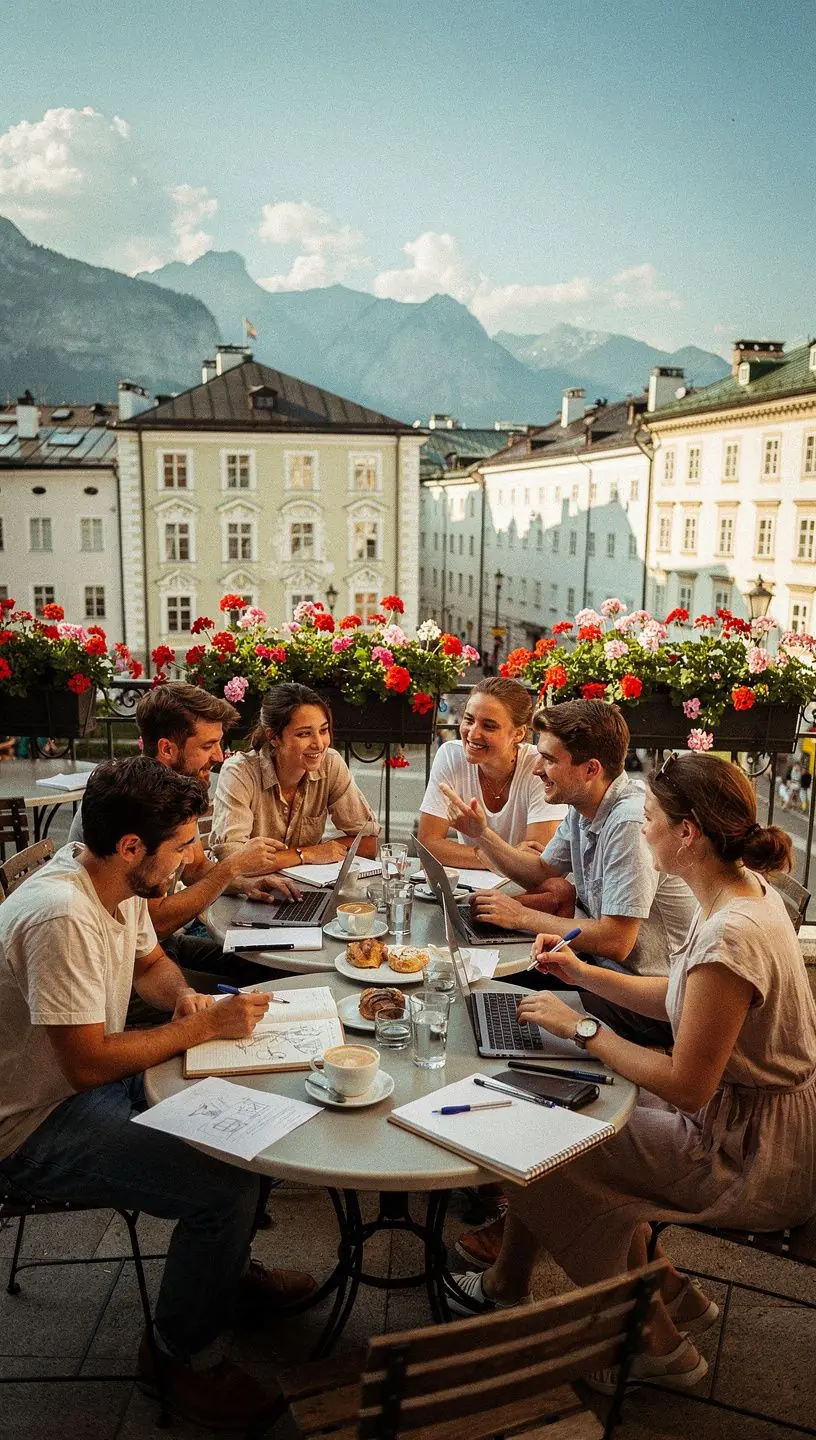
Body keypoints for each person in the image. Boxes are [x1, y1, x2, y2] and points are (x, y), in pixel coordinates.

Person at [451, 752, 816, 1394]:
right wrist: (584, 977)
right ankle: (663, 1293)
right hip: (745, 1123)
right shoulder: (739, 893)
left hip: (747, 1155)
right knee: (559, 1109)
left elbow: (685, 1084)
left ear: (687, 834)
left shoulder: (730, 935)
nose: (641, 828)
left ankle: (655, 1341)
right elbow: (683, 999)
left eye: (649, 817)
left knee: (538, 1147)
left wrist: (585, 1029)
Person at [0, 757, 316, 1431]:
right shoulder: (64, 914)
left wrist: (183, 999)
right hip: (28, 1125)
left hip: (71, 1090)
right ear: (132, 846)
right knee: (222, 1187)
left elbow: (150, 963)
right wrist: (203, 1026)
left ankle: (222, 1277)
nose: (193, 859)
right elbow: (86, 1066)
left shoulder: (116, 883)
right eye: (181, 846)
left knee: (248, 1128)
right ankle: (181, 1360)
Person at [439, 700, 695, 1045]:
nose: (536, 770)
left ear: (590, 769)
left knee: (484, 1004)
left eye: (548, 760)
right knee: (477, 995)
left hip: (650, 1003)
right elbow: (541, 871)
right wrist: (482, 835)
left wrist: (520, 916)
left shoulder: (628, 823)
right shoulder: (585, 803)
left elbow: (616, 941)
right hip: (601, 973)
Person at [69, 684, 301, 991]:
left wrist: (246, 884)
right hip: (127, 968)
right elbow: (155, 921)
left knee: (278, 966)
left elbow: (195, 869)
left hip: (162, 947)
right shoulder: (137, 807)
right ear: (167, 749)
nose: (219, 756)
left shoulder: (171, 797)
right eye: (207, 746)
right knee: (268, 981)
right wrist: (232, 867)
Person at [211, 682, 379, 867]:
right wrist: (307, 855)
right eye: (304, 734)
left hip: (301, 889)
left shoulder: (330, 763)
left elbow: (367, 844)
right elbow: (233, 861)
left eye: (323, 730)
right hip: (246, 893)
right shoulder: (239, 772)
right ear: (274, 737)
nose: (319, 744)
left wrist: (297, 856)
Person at [418, 677, 566, 868]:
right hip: (473, 885)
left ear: (519, 734)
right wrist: (495, 857)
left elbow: (537, 862)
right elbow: (428, 845)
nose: (472, 733)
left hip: (524, 888)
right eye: (469, 720)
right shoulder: (451, 755)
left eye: (489, 726)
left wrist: (479, 854)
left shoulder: (539, 766)